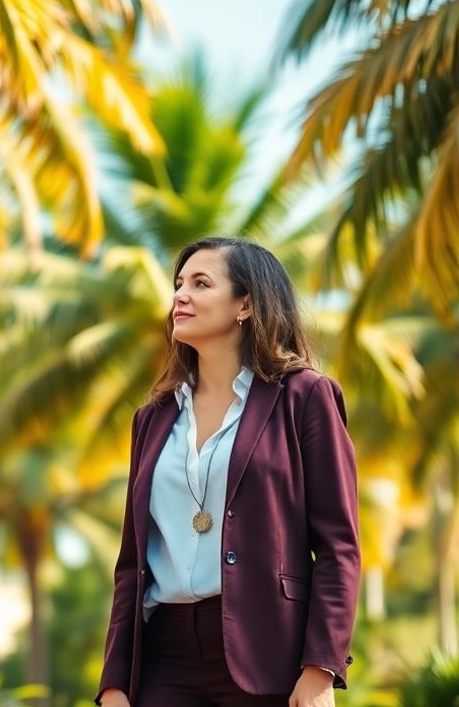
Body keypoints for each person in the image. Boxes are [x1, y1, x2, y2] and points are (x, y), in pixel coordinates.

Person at [97, 237, 360, 707]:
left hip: (268, 652)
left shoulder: (304, 396)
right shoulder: (152, 419)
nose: (180, 295)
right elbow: (132, 564)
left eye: (201, 283)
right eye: (179, 284)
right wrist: (114, 682)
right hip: (164, 657)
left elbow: (338, 546)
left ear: (246, 304)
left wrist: (321, 668)